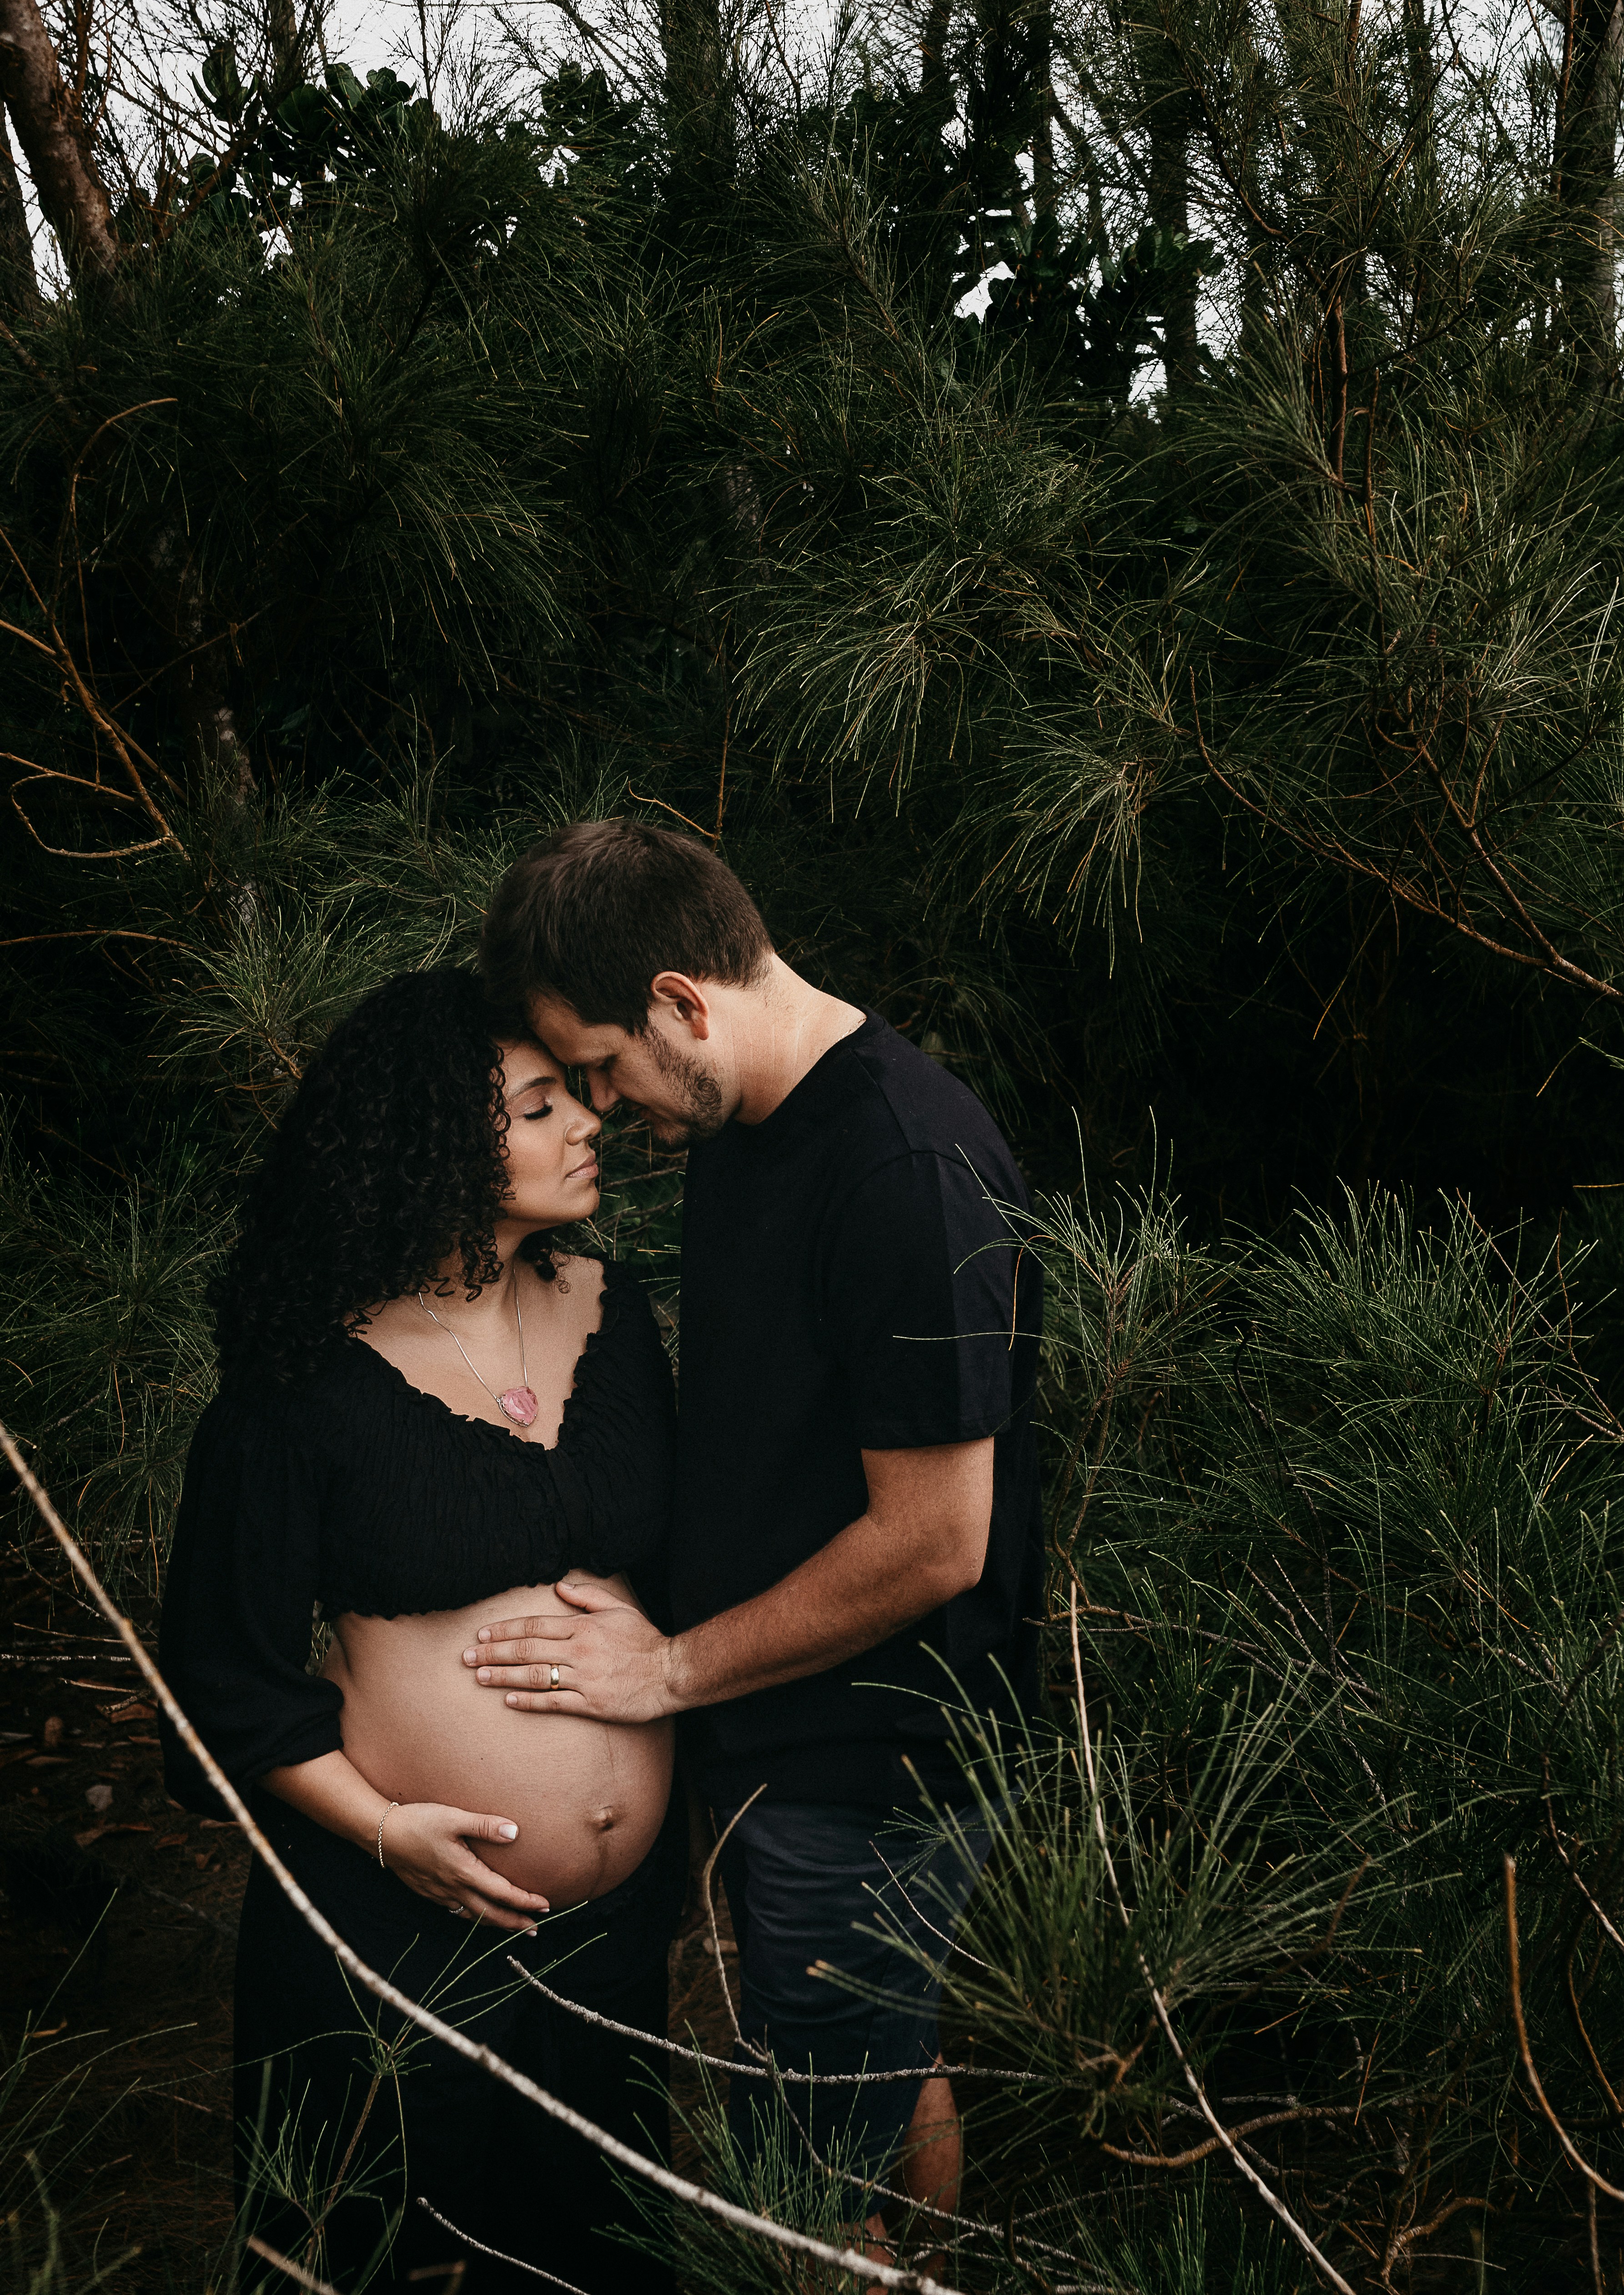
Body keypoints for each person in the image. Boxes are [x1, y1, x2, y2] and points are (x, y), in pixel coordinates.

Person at [473, 819, 1044, 2242]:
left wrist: (665, 1673)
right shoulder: (745, 1121)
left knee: (810, 2183)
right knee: (876, 2069)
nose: (602, 1111)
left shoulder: (902, 1167)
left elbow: (934, 1542)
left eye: (599, 1068)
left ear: (680, 1001)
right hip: (785, 1728)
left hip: (870, 1758)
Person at [157, 966, 684, 2294]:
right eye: (539, 1105)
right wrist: (388, 1831)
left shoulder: (615, 1322)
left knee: (592, 2258)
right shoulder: (306, 1378)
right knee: (390, 2253)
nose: (587, 1125)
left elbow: (679, 1576)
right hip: (392, 1923)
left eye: (579, 1098)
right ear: (434, 1140)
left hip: (611, 1939)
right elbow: (222, 1669)